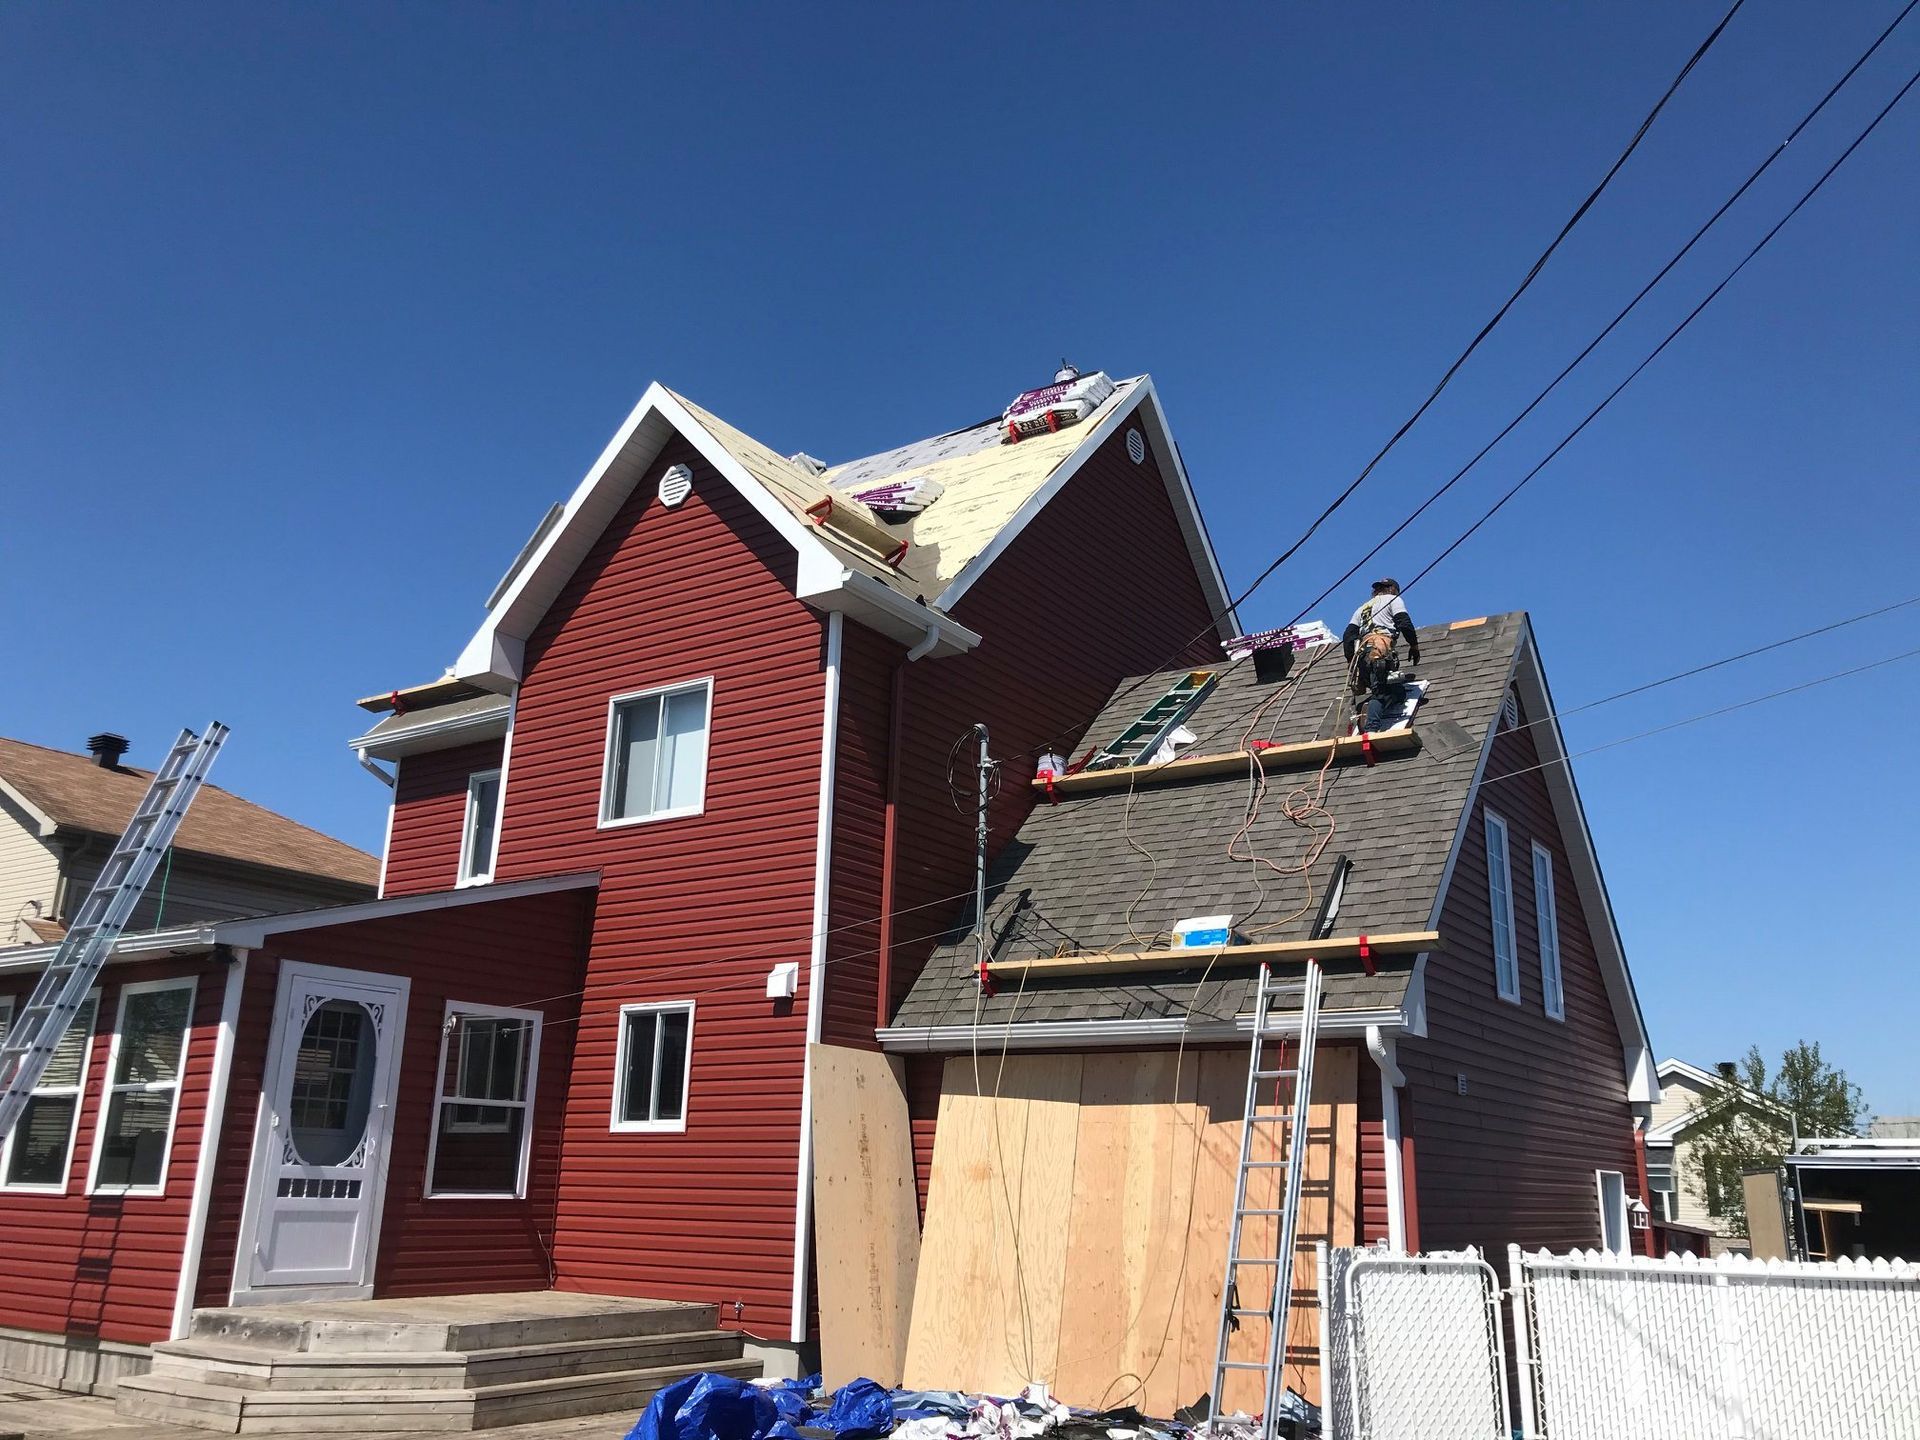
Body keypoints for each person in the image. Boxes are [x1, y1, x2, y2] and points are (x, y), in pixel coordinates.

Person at [1343, 579, 1420, 730]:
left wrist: (1351, 661)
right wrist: (1414, 646)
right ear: (1393, 589)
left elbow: (1348, 636)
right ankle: (1371, 727)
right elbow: (1404, 622)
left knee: (1398, 692)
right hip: (1379, 651)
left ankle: (1371, 707)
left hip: (1362, 656)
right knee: (1382, 694)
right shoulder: (1393, 600)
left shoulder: (1362, 608)